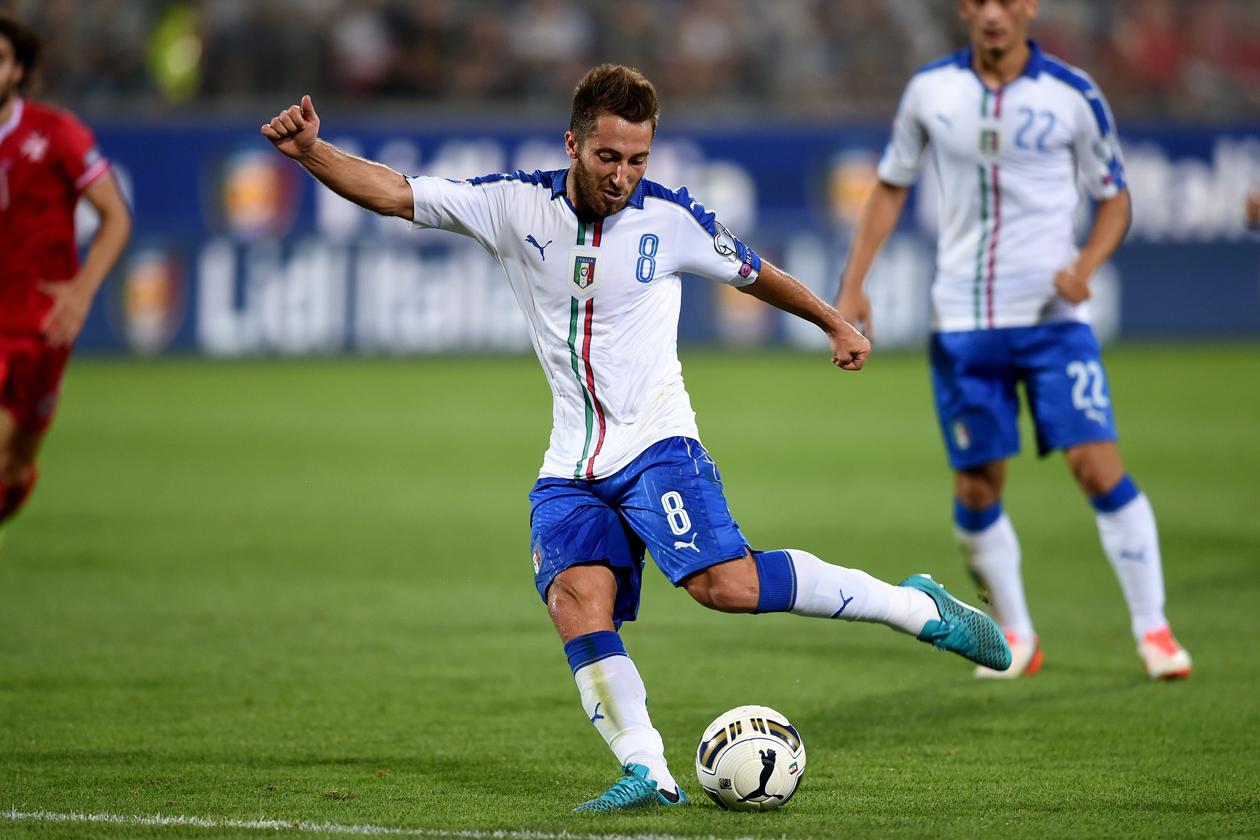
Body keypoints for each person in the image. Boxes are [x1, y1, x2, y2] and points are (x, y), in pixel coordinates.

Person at [262, 64, 1010, 812]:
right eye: (608, 157)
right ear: (573, 145)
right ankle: (647, 769)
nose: (622, 175)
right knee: (574, 600)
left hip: (656, 444)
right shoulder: (511, 205)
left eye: (637, 159)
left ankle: (915, 607)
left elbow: (755, 273)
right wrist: (312, 154)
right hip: (571, 462)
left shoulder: (669, 219)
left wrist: (834, 323)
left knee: (726, 586)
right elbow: (396, 193)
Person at [835, 0, 1191, 681]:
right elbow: (888, 188)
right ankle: (1016, 638)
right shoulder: (930, 91)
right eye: (981, 1)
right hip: (963, 324)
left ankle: (1155, 630)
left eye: (1008, 0)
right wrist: (853, 285)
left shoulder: (1073, 95)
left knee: (1096, 466)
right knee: (975, 488)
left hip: (1053, 321)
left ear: (1030, 6)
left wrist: (1085, 267)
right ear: (964, 9)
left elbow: (1116, 197)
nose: (994, 13)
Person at [0, 14, 131, 544]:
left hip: (40, 324)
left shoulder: (55, 133)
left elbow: (116, 216)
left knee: (15, 462)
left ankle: (17, 482)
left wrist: (82, 290)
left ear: (18, 71)